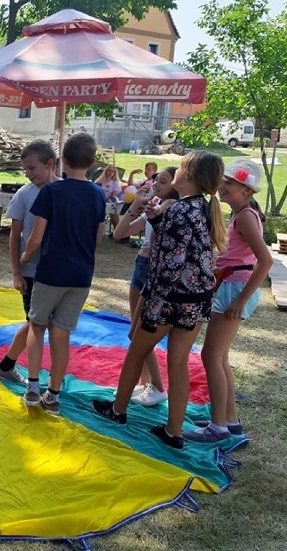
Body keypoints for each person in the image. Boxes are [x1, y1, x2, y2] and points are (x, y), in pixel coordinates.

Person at [94, 151, 227, 449]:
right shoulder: (200, 209)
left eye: (179, 168)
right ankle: (173, 431)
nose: (174, 173)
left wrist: (150, 305)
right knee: (178, 363)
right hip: (196, 301)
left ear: (188, 176)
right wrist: (158, 217)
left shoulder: (180, 211)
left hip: (171, 299)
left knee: (137, 351)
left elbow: (170, 264)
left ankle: (118, 410)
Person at [185, 159, 272, 443]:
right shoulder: (241, 215)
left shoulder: (246, 216)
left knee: (211, 356)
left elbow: (265, 260)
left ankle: (218, 426)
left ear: (247, 190)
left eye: (230, 183)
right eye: (223, 181)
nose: (222, 187)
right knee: (219, 356)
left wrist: (242, 299)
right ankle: (228, 419)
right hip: (229, 286)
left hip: (234, 289)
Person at [18, 133, 105, 413]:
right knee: (62, 333)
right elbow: (98, 238)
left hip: (51, 272)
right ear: (92, 162)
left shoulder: (52, 192)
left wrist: (24, 258)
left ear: (62, 161)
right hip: (80, 276)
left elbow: (36, 237)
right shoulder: (98, 194)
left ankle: (33, 387)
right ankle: (53, 394)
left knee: (37, 325)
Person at [0, 140, 59, 387]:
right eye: (25, 170)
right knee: (36, 323)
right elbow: (15, 235)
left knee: (50, 324)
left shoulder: (63, 190)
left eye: (32, 168)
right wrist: (17, 273)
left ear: (50, 164)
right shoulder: (24, 194)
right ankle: (12, 368)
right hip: (31, 271)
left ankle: (11, 366)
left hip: (57, 272)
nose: (29, 174)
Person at [111, 167, 179, 407]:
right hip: (141, 264)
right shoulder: (156, 206)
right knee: (135, 328)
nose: (156, 185)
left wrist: (152, 208)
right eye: (155, 180)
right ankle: (144, 383)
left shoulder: (171, 207)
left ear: (176, 184)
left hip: (155, 269)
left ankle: (158, 386)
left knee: (137, 333)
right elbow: (120, 233)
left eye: (162, 181)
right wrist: (136, 205)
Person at [94, 164, 123, 231]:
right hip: (99, 200)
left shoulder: (115, 183)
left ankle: (118, 231)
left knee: (112, 210)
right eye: (109, 170)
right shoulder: (99, 180)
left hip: (109, 201)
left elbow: (114, 196)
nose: (110, 172)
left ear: (114, 173)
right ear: (105, 171)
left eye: (112, 171)